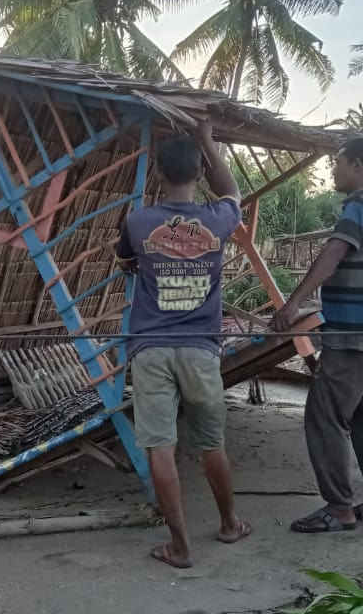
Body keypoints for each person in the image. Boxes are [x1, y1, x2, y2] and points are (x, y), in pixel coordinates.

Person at [113, 120, 250, 570]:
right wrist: (210, 140)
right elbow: (232, 192)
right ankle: (230, 524)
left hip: (150, 349)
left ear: (157, 174)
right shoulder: (218, 220)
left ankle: (180, 547)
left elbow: (126, 260)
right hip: (200, 349)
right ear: (198, 174)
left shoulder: (138, 221)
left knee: (161, 448)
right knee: (212, 443)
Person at [270, 137, 363, 533]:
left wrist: (293, 304)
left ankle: (339, 507)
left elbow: (333, 254)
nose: (334, 169)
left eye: (338, 162)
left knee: (324, 415)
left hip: (352, 333)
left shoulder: (359, 205)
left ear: (357, 166)